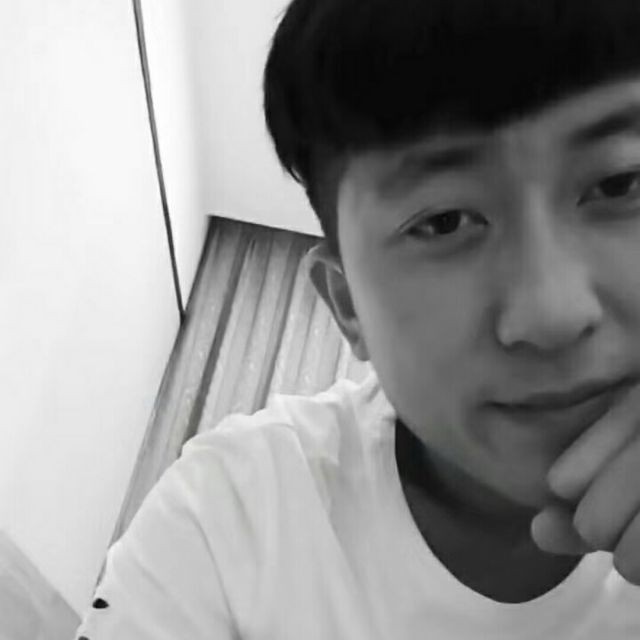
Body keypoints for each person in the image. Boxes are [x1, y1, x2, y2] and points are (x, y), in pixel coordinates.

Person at [76, 0, 640, 637]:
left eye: (620, 183)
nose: (553, 313)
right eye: (443, 222)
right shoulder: (225, 524)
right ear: (347, 306)